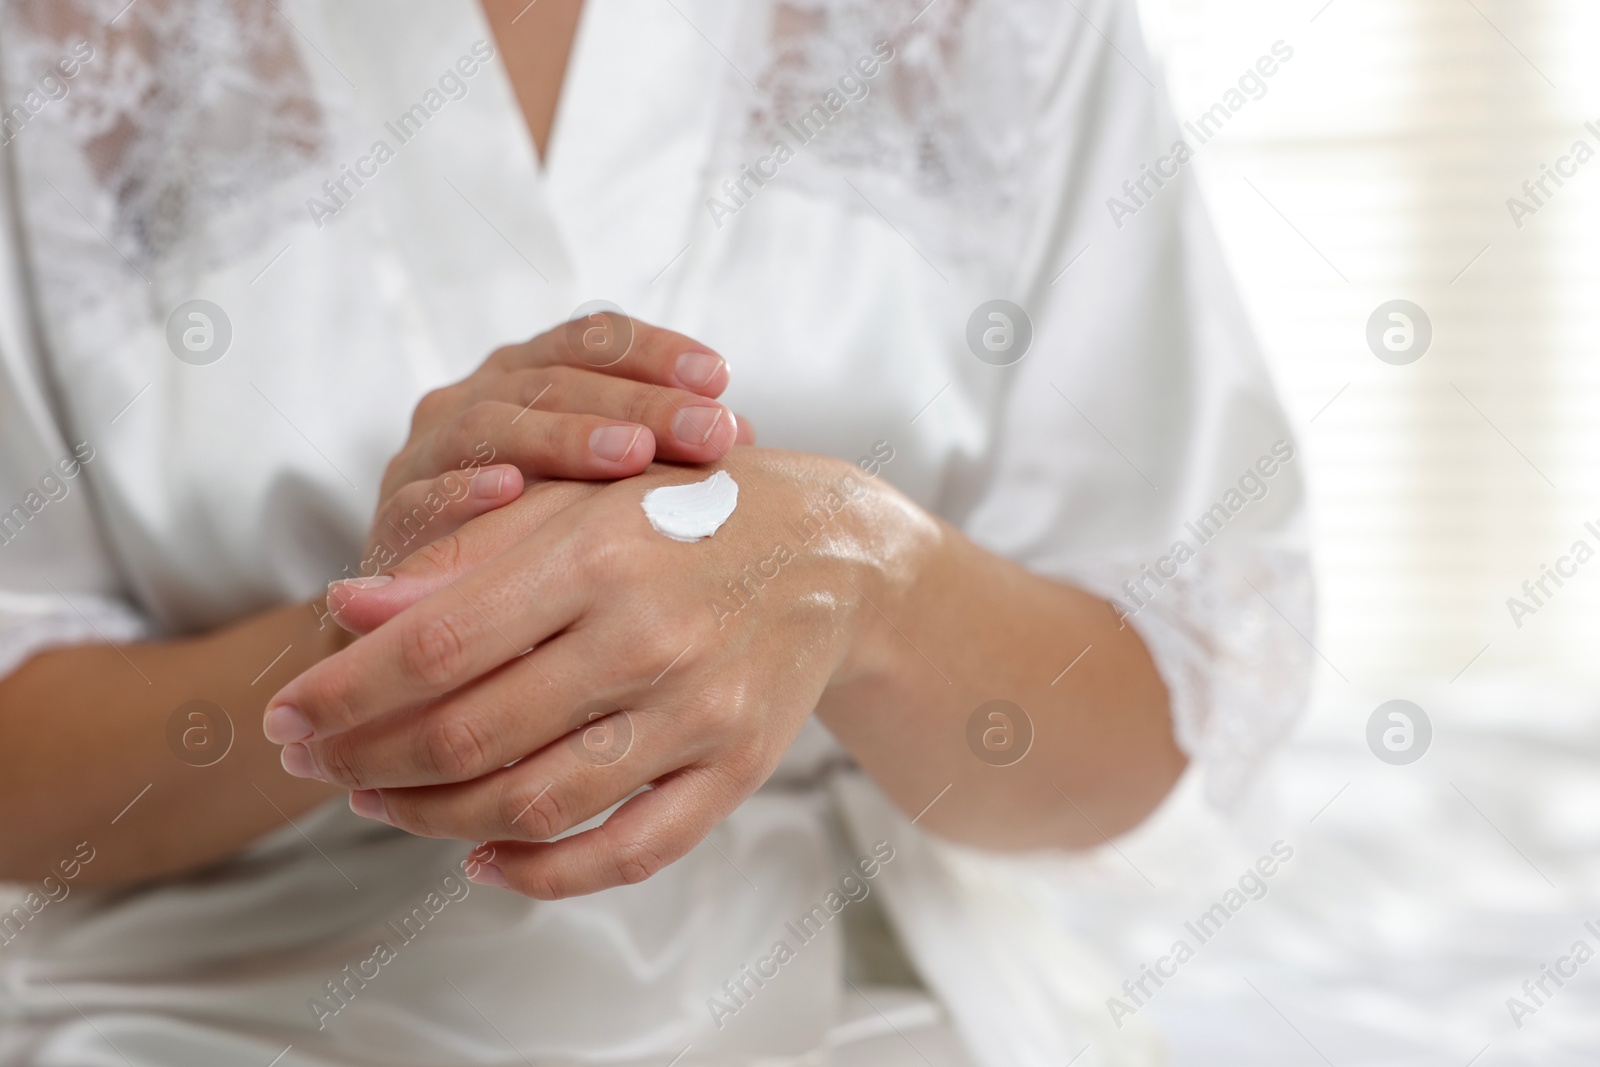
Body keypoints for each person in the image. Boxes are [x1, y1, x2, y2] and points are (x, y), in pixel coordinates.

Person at [0, 1, 1311, 1064]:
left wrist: (865, 574)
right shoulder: (55, 51)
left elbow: (1159, 696)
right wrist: (394, 636)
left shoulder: (1011, 30)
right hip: (201, 1006)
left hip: (839, 992)